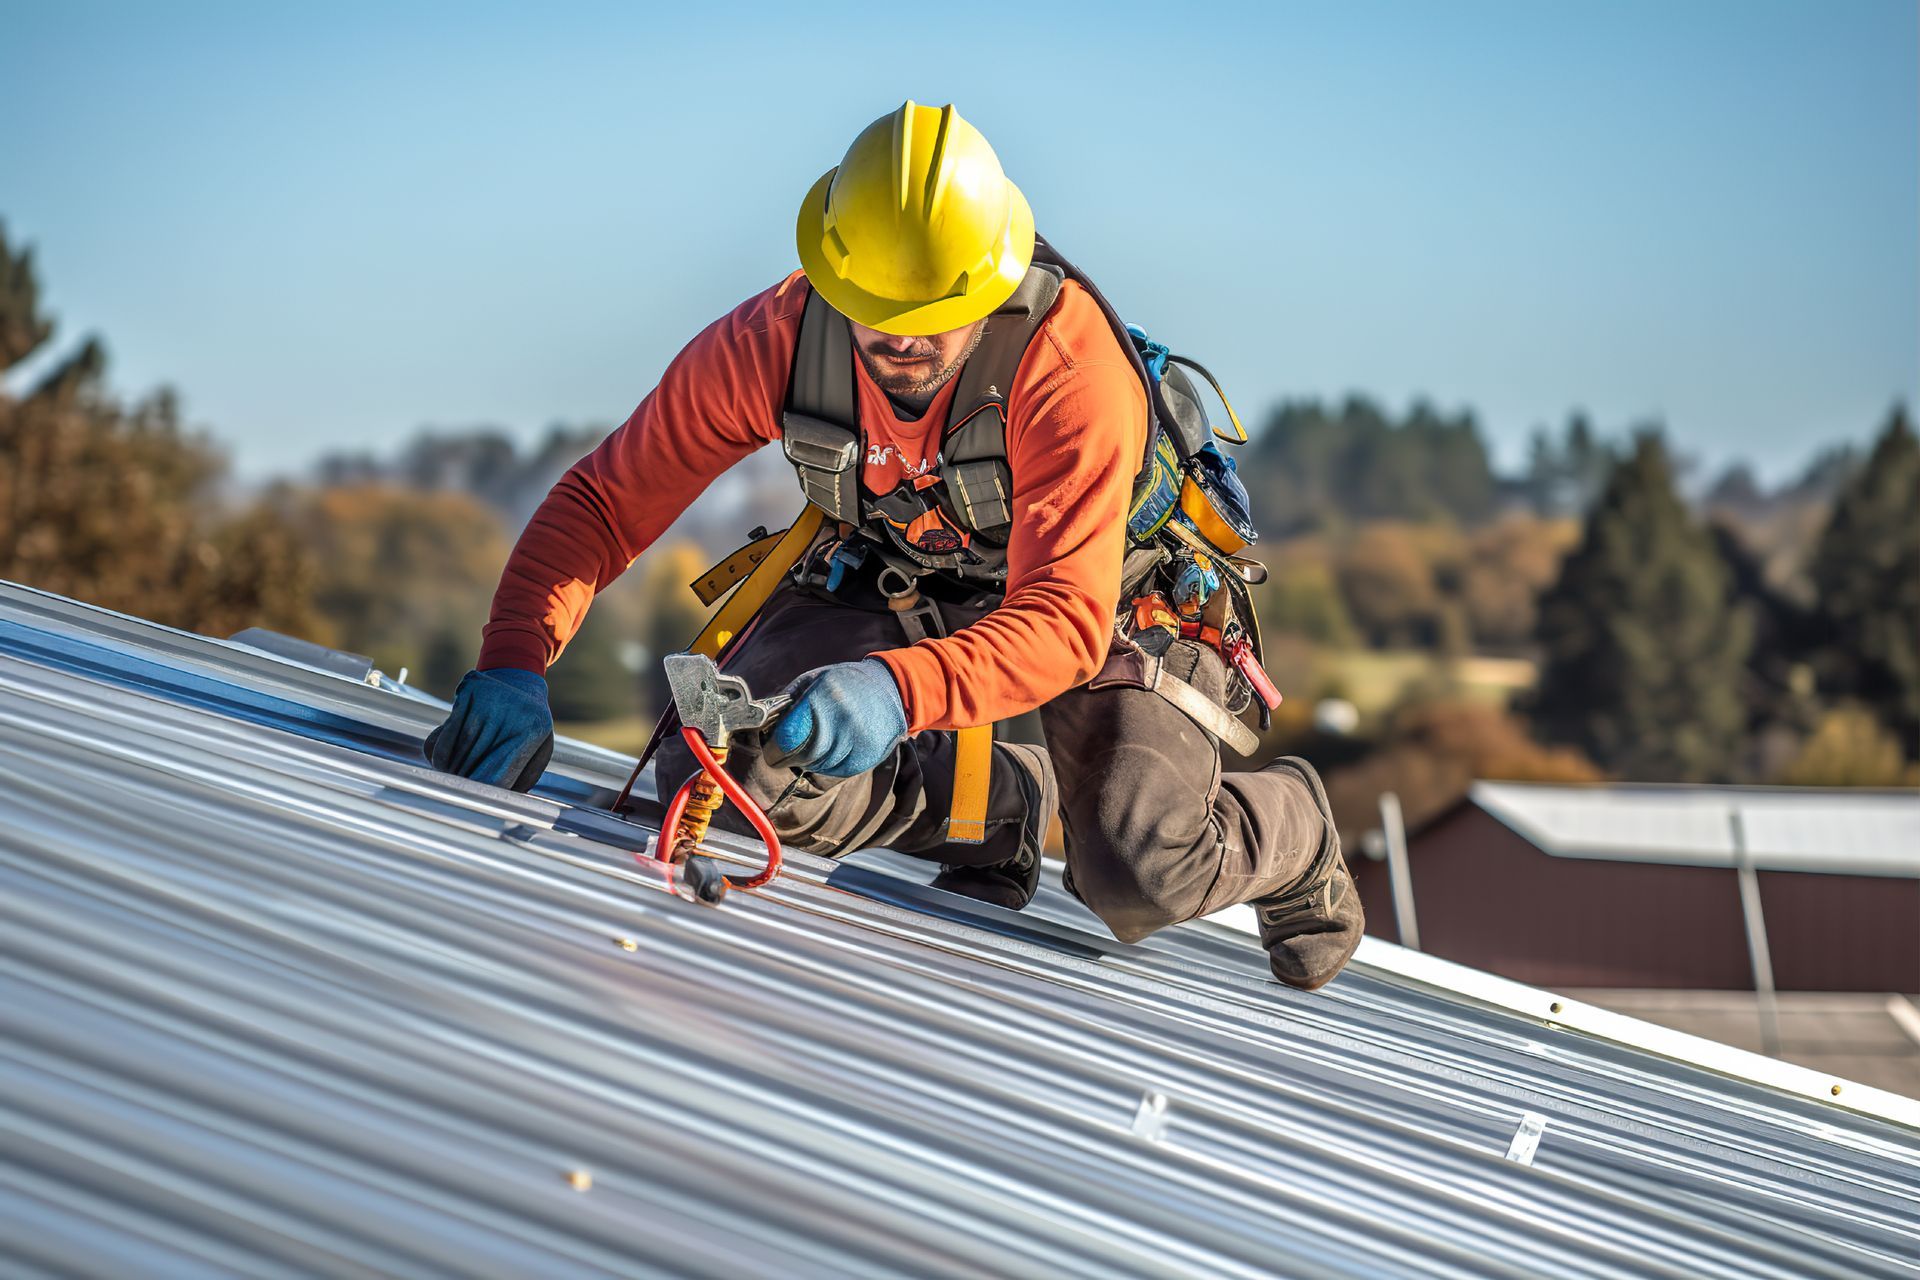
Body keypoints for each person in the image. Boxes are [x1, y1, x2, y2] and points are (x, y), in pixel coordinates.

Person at [426, 101, 1363, 990]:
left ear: (990, 280)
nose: (905, 342)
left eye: (936, 317)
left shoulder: (1069, 371)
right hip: (901, 571)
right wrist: (516, 660)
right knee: (727, 773)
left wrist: (897, 690)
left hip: (1112, 598)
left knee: (1138, 868)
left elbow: (1063, 624)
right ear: (835, 277)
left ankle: (1297, 829)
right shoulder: (776, 340)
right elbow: (606, 500)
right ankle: (995, 807)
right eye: (879, 312)